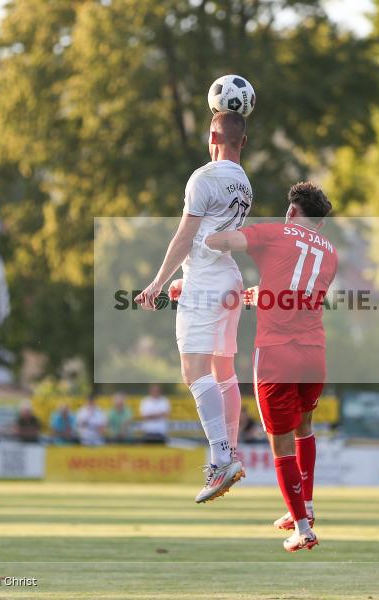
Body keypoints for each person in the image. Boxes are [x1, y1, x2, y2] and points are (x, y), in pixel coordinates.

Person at [203, 181, 336, 552]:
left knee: (280, 443)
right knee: (304, 428)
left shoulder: (274, 232)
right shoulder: (330, 251)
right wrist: (264, 295)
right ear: (320, 223)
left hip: (278, 352)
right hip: (315, 352)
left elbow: (219, 243)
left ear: (292, 211)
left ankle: (303, 528)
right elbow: (298, 290)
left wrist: (206, 226)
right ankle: (303, 507)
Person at [135, 111, 252, 503]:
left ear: (212, 137)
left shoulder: (204, 177)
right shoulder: (244, 182)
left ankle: (221, 458)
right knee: (223, 368)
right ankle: (230, 451)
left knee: (194, 368)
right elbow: (214, 237)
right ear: (243, 142)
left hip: (208, 283)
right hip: (228, 280)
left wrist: (158, 283)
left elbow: (186, 236)